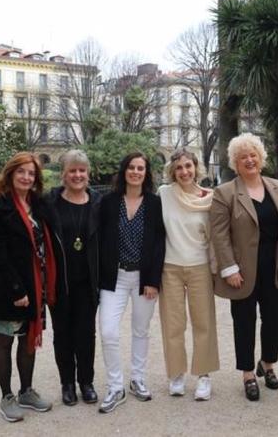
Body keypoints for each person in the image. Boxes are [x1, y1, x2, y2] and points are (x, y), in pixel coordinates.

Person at [209, 133, 278, 402]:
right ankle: (247, 374)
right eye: (243, 157)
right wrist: (229, 268)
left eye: (253, 155)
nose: (249, 160)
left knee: (275, 318)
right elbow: (219, 234)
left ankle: (267, 364)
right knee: (244, 322)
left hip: (274, 267)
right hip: (241, 271)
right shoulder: (225, 193)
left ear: (261, 158)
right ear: (235, 162)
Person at [0, 152, 56, 422]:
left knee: (28, 340)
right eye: (21, 172)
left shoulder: (37, 205)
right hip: (8, 288)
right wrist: (17, 290)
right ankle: (7, 396)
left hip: (36, 284)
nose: (26, 177)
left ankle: (26, 391)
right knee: (5, 341)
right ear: (11, 174)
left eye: (31, 173)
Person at [98, 152, 166, 414]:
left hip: (143, 278)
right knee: (108, 331)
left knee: (140, 330)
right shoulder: (108, 202)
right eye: (131, 167)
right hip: (114, 277)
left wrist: (153, 280)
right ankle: (115, 386)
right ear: (124, 170)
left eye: (141, 168)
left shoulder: (154, 203)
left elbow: (159, 243)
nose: (136, 172)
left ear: (146, 173)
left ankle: (138, 378)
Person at [158, 149, 219, 401]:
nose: (184, 171)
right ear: (173, 171)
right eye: (179, 167)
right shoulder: (164, 194)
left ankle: (204, 375)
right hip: (170, 267)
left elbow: (215, 237)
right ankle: (176, 374)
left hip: (199, 266)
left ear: (196, 168)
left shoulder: (210, 198)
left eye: (188, 166)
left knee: (204, 323)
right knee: (173, 324)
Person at [43, 150, 101, 406]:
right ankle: (67, 383)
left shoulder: (98, 203)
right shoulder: (49, 203)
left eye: (82, 170)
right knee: (63, 334)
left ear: (88, 174)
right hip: (60, 281)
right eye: (72, 170)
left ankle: (86, 382)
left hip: (88, 282)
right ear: (63, 174)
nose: (77, 175)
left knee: (86, 334)